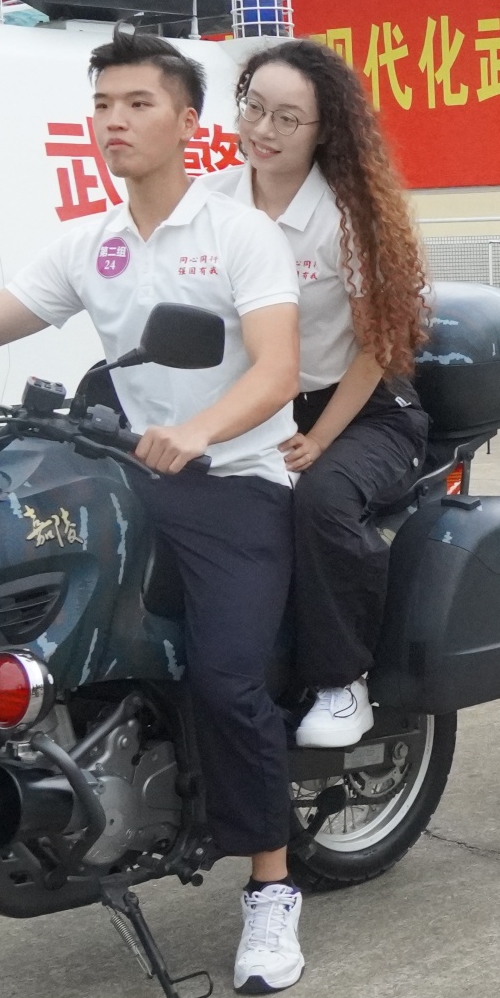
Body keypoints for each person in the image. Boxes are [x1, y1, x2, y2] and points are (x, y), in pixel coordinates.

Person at [0, 31, 315, 998]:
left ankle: (272, 885)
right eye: (104, 104)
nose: (115, 120)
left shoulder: (239, 233)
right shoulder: (93, 243)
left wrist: (200, 432)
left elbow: (279, 369)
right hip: (126, 470)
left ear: (188, 124)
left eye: (138, 104)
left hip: (232, 479)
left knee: (227, 676)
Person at [201, 37, 432, 749]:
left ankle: (343, 683)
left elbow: (378, 347)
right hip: (254, 399)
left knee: (318, 498)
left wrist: (322, 438)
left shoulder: (344, 217)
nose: (263, 131)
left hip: (358, 407)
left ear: (324, 129)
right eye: (254, 109)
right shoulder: (209, 201)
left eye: (287, 119)